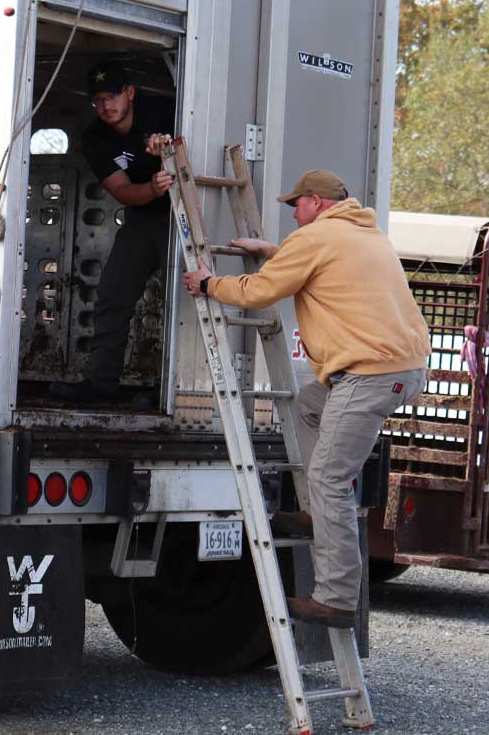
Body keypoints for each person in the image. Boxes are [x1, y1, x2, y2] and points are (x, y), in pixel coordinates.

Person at [181, 169, 430, 629]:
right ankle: (318, 514)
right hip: (401, 370)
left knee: (329, 478)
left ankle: (335, 599)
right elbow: (327, 265)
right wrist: (275, 252)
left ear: (316, 201)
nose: (294, 214)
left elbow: (260, 291)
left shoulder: (316, 237)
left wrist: (209, 284)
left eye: (297, 204)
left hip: (368, 375)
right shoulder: (365, 234)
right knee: (307, 406)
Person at [49, 61, 173, 408]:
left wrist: (170, 150)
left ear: (130, 93)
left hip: (183, 215)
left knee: (182, 300)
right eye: (98, 100)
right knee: (113, 293)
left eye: (112, 97)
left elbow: (201, 149)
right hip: (143, 214)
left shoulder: (165, 112)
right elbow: (121, 191)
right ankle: (100, 383)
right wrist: (152, 188)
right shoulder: (95, 137)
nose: (105, 106)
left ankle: (174, 387)